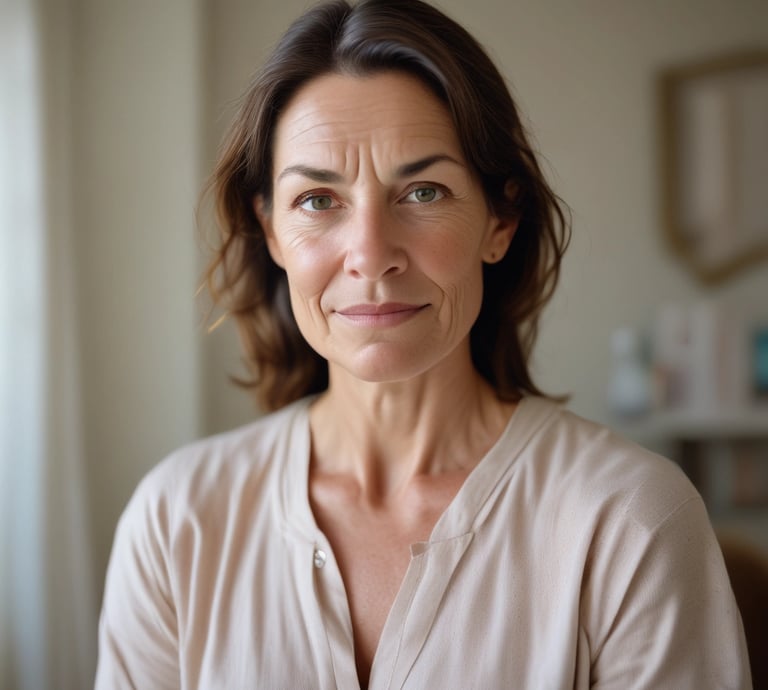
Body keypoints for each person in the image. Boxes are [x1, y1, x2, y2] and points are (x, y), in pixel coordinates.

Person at [95, 1, 750, 688]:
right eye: (318, 200)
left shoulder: (631, 520)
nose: (371, 255)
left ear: (501, 220)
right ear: (269, 230)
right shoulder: (178, 520)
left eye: (423, 191)